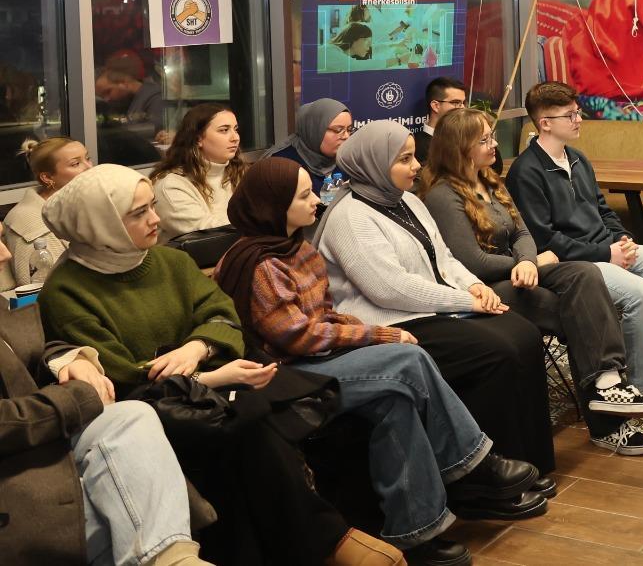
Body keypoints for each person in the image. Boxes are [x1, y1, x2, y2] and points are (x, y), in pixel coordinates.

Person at [40, 164, 400, 566]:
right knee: (245, 423)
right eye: (139, 213)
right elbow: (120, 374)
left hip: (211, 384)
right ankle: (329, 541)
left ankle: (325, 542)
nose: (156, 219)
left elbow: (223, 314)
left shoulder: (169, 261)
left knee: (257, 416)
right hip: (146, 411)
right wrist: (206, 377)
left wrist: (197, 347)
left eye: (153, 206)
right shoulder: (66, 290)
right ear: (99, 224)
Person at [216, 157, 547, 566]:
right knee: (408, 359)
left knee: (395, 402)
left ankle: (416, 533)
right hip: (285, 377)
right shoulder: (262, 263)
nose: (316, 201)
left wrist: (358, 329)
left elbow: (325, 317)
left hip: (319, 360)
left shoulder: (297, 248)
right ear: (274, 205)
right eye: (303, 196)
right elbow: (298, 337)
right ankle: (472, 466)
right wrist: (378, 334)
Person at [314, 122, 561, 472]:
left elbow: (443, 258)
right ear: (374, 164)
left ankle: (533, 462)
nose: (417, 166)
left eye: (414, 156)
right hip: (392, 321)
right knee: (495, 351)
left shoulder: (408, 200)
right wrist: (465, 301)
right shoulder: (351, 217)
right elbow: (390, 288)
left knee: (524, 334)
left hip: (431, 309)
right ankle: (485, 470)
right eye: (404, 159)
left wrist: (474, 286)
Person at [420, 107, 643, 448]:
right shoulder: (443, 195)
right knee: (580, 314)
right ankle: (608, 422)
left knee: (585, 273)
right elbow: (471, 261)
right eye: (485, 140)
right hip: (485, 287)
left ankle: (608, 382)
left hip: (523, 270)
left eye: (492, 136)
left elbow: (522, 232)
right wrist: (525, 264)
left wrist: (528, 262)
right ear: (460, 148)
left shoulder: (489, 180)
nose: (494, 144)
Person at [506, 82, 643, 421]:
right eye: (570, 115)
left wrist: (623, 239)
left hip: (607, 248)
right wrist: (606, 253)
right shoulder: (525, 171)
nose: (578, 119)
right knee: (641, 293)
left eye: (577, 112)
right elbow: (545, 239)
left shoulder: (577, 158)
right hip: (576, 264)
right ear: (545, 123)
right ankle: (642, 384)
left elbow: (603, 209)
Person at [0, 303, 213, 566]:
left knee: (133, 416)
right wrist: (74, 399)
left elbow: (26, 349)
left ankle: (174, 558)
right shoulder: (69, 292)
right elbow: (133, 372)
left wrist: (69, 359)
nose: (7, 258)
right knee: (110, 517)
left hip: (36, 438)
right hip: (14, 471)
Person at [151, 104, 244, 241]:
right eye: (224, 130)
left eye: (235, 129)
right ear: (198, 139)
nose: (235, 137)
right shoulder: (170, 185)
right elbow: (208, 233)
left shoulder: (240, 172)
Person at [1, 136, 85, 283]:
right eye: (76, 164)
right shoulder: (32, 229)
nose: (89, 167)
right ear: (47, 177)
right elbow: (38, 289)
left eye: (88, 158)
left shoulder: (79, 205)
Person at [266, 97, 352, 194]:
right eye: (338, 130)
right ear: (314, 130)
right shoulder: (282, 164)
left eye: (349, 130)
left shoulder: (346, 162)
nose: (346, 136)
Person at [413, 77, 468, 165]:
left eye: (463, 103)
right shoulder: (417, 146)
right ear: (436, 106)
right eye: (456, 103)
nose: (462, 108)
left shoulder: (466, 137)